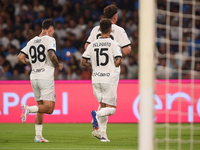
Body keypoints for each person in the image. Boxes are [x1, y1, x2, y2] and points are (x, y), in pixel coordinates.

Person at [84, 4, 131, 139]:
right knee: (109, 105)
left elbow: (87, 46)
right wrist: (114, 50)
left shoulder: (95, 30)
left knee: (103, 102)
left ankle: (101, 133)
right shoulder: (119, 30)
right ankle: (98, 120)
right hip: (112, 70)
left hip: (97, 71)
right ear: (115, 17)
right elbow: (127, 50)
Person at [17, 19, 63, 142]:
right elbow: (51, 55)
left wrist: (30, 61)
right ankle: (28, 109)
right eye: (52, 31)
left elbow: (20, 58)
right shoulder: (49, 39)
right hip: (45, 76)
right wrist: (58, 65)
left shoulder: (31, 41)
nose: (52, 34)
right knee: (49, 108)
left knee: (41, 107)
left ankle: (38, 136)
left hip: (34, 77)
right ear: (50, 29)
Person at [81, 18, 122, 142]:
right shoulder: (114, 44)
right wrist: (112, 64)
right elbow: (118, 61)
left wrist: (93, 65)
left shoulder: (92, 44)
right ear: (110, 29)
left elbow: (83, 61)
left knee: (103, 106)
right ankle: (96, 114)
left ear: (99, 29)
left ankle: (102, 134)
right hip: (108, 79)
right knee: (111, 109)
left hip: (96, 79)